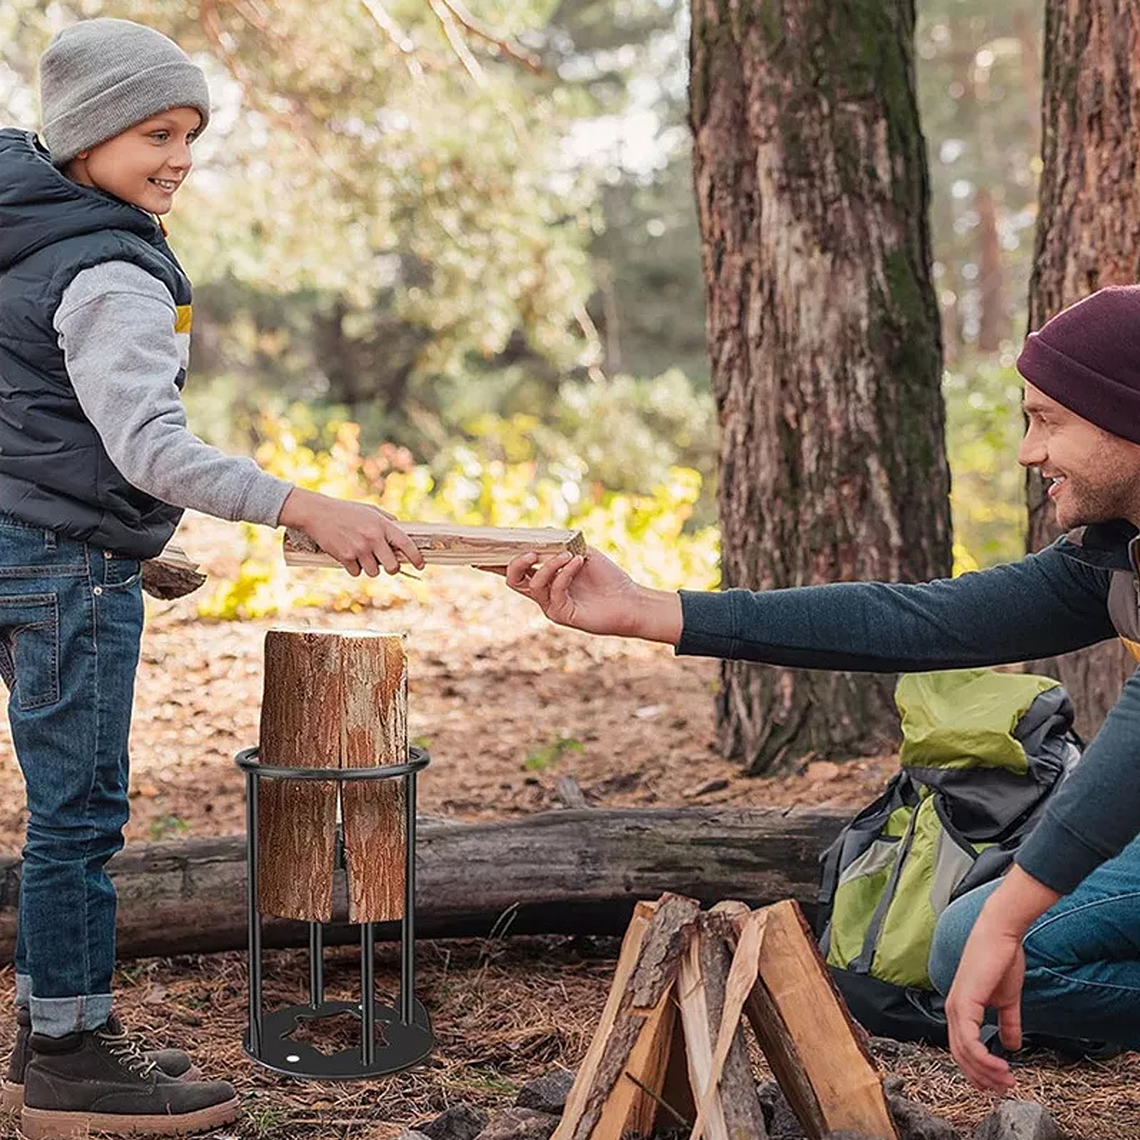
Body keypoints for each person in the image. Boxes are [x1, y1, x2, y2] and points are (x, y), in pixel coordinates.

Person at [499, 283, 1140, 1094]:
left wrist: (1014, 911)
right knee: (960, 941)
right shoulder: (1115, 552)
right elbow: (917, 621)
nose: (1026, 452)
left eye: (1049, 421)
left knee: (992, 932)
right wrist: (647, 611)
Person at [0, 17, 423, 1139]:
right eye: (155, 132)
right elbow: (148, 445)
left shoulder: (20, 232)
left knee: (57, 814)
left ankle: (47, 1024)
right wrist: (307, 505)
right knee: (77, 816)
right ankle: (74, 1061)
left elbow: (31, 423)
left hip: (20, 549)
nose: (180, 155)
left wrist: (132, 540)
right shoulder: (108, 267)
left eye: (191, 132)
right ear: (87, 136)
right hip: (64, 573)